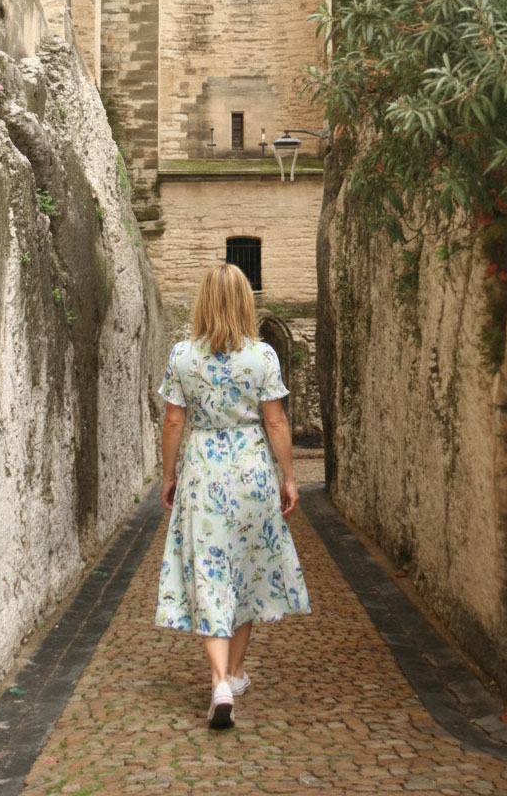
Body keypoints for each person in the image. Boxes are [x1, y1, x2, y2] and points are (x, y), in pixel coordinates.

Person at [155, 262, 311, 729]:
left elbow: (173, 422)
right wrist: (288, 476)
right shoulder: (263, 357)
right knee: (244, 569)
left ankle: (222, 679)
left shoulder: (182, 356)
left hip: (204, 471)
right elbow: (277, 422)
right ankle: (236, 672)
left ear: (203, 301)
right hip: (251, 472)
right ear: (246, 301)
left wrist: (168, 475)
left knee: (210, 571)